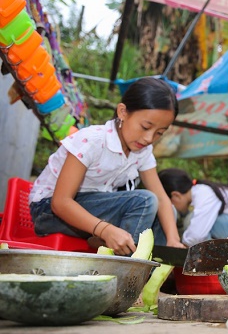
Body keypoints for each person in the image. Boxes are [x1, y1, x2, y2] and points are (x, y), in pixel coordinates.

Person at [29, 77, 185, 255]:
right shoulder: (92, 141)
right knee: (144, 201)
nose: (149, 138)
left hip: (93, 213)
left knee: (166, 211)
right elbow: (60, 202)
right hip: (49, 212)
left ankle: (153, 270)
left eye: (159, 133)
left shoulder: (142, 150)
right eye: (145, 127)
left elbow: (163, 199)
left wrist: (174, 240)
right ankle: (123, 269)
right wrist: (104, 229)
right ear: (123, 112)